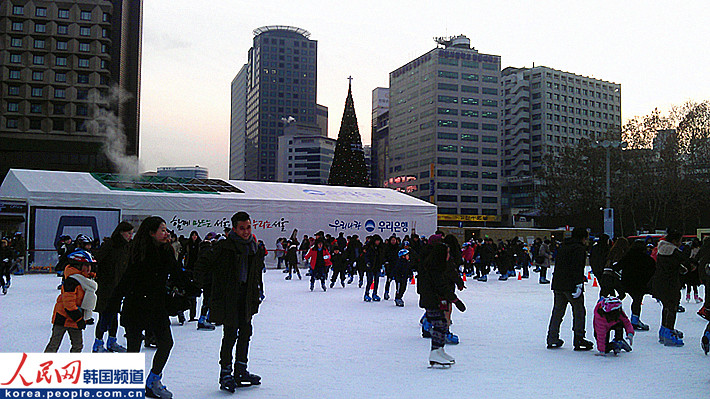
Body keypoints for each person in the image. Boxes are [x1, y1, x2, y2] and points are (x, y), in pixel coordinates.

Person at [195, 212, 265, 393]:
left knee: (246, 333)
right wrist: (208, 287)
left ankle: (240, 370)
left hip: (246, 298)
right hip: (229, 298)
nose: (246, 231)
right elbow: (203, 264)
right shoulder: (224, 246)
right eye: (242, 228)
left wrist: (258, 292)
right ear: (234, 228)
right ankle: (225, 372)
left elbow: (256, 273)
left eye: (248, 227)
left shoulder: (253, 247)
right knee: (230, 334)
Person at [118, 216, 179, 399]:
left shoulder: (166, 251)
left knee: (166, 343)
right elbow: (126, 281)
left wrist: (193, 286)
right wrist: (110, 304)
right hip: (136, 305)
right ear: (151, 233)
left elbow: (176, 273)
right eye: (162, 230)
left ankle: (153, 380)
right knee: (133, 348)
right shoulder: (138, 253)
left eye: (166, 230)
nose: (166, 233)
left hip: (156, 306)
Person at [417, 243, 466, 367]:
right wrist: (455, 300)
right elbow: (441, 286)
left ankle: (439, 350)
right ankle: (435, 352)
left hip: (435, 300)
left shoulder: (437, 266)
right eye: (447, 253)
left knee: (443, 324)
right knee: (439, 324)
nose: (448, 256)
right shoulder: (433, 268)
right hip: (432, 301)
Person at [546, 227, 594, 351]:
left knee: (557, 312)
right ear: (583, 238)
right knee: (579, 312)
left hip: (558, 283)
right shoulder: (579, 249)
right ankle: (579, 338)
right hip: (571, 285)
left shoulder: (563, 246)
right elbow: (577, 267)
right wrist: (578, 284)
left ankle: (552, 337)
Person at [44, 249, 97, 353]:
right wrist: (78, 319)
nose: (89, 268)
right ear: (77, 266)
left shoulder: (86, 281)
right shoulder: (71, 282)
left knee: (78, 346)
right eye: (86, 265)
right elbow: (69, 304)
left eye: (90, 266)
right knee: (54, 344)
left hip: (75, 318)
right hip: (63, 317)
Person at [92, 221, 134, 352]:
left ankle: (112, 340)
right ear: (121, 232)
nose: (130, 236)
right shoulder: (110, 245)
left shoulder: (127, 247)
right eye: (128, 233)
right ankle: (98, 342)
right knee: (104, 315)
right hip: (106, 286)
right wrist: (98, 275)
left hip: (119, 287)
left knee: (114, 314)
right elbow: (96, 260)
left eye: (132, 233)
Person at [652, 230, 695, 347]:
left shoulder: (662, 250)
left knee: (666, 306)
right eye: (680, 241)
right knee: (672, 306)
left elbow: (670, 264)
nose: (681, 243)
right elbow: (684, 257)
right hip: (670, 283)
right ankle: (669, 333)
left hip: (660, 282)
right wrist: (687, 247)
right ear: (675, 241)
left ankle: (664, 330)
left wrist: (681, 268)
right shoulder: (673, 251)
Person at [618, 240, 656, 331]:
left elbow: (618, 266)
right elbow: (653, 270)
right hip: (640, 284)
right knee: (637, 301)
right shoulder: (647, 259)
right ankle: (635, 319)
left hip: (627, 283)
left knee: (627, 299)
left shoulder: (627, 257)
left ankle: (618, 317)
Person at [362, 234, 385, 302]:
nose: (378, 242)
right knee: (370, 280)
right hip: (370, 266)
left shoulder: (380, 248)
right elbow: (366, 256)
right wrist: (367, 263)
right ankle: (366, 293)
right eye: (377, 241)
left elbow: (382, 256)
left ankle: (375, 293)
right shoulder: (369, 247)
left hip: (377, 266)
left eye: (379, 241)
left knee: (377, 280)